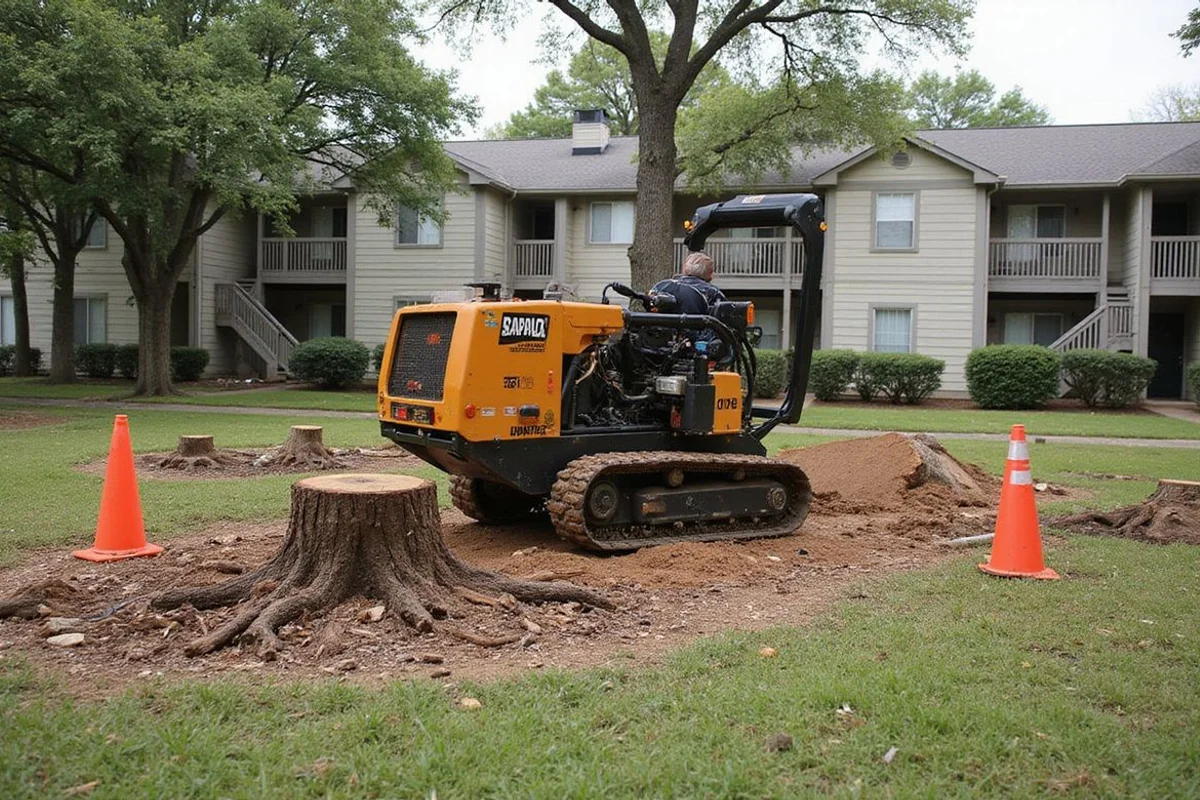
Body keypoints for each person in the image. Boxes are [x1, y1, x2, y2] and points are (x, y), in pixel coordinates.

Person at [651, 251, 726, 316]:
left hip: (660, 330)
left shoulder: (662, 286)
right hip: (696, 329)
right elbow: (724, 320)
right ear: (709, 273)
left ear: (685, 268)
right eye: (712, 271)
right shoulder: (713, 293)